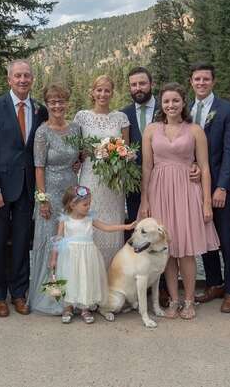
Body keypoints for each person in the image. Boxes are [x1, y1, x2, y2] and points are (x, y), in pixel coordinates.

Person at [138, 83, 219, 320]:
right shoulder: (151, 130)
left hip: (187, 191)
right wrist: (145, 200)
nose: (171, 105)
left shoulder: (194, 130)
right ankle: (173, 300)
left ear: (184, 102)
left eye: (175, 101)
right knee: (167, 250)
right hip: (159, 190)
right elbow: (146, 167)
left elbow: (204, 168)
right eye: (166, 101)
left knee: (186, 251)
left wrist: (206, 201)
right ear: (161, 105)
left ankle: (189, 300)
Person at [0, 59, 47, 317]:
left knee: (20, 241)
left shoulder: (40, 109)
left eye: (26, 75)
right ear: (9, 80)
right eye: (17, 76)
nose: (22, 80)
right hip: (0, 189)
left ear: (32, 79)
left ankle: (19, 293)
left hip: (28, 188)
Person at [189, 62, 230, 313]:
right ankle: (213, 283)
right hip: (194, 187)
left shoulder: (227, 110)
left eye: (205, 79)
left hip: (219, 185)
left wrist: (222, 187)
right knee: (204, 237)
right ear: (191, 82)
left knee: (225, 239)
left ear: (213, 82)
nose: (201, 83)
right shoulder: (187, 110)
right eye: (197, 79)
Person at [28, 84, 80, 315]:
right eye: (53, 102)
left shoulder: (76, 129)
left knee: (69, 244)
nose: (57, 105)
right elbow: (38, 168)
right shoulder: (42, 132)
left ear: (67, 103)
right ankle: (51, 297)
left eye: (61, 101)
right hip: (49, 190)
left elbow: (79, 158)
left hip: (71, 191)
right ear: (47, 105)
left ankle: (72, 296)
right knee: (50, 244)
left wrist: (79, 162)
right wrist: (43, 199)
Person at [49, 186, 134, 324]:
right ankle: (68, 307)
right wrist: (53, 258)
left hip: (88, 256)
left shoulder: (89, 219)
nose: (88, 207)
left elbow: (106, 227)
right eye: (85, 204)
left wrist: (125, 227)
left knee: (85, 278)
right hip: (70, 257)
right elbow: (58, 240)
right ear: (73, 204)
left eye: (89, 204)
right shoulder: (65, 220)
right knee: (70, 279)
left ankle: (85, 307)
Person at [73, 75, 130, 267]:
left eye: (107, 90)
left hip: (114, 182)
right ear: (92, 92)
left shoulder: (121, 118)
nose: (103, 94)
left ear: (112, 93)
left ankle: (113, 278)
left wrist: (117, 154)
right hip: (90, 177)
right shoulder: (82, 117)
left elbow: (127, 151)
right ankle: (91, 278)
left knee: (113, 230)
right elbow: (77, 150)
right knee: (90, 224)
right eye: (99, 90)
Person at [120, 67, 157, 230]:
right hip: (134, 182)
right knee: (139, 229)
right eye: (133, 84)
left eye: (142, 83)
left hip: (163, 178)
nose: (138, 88)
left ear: (151, 84)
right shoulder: (123, 114)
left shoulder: (166, 108)